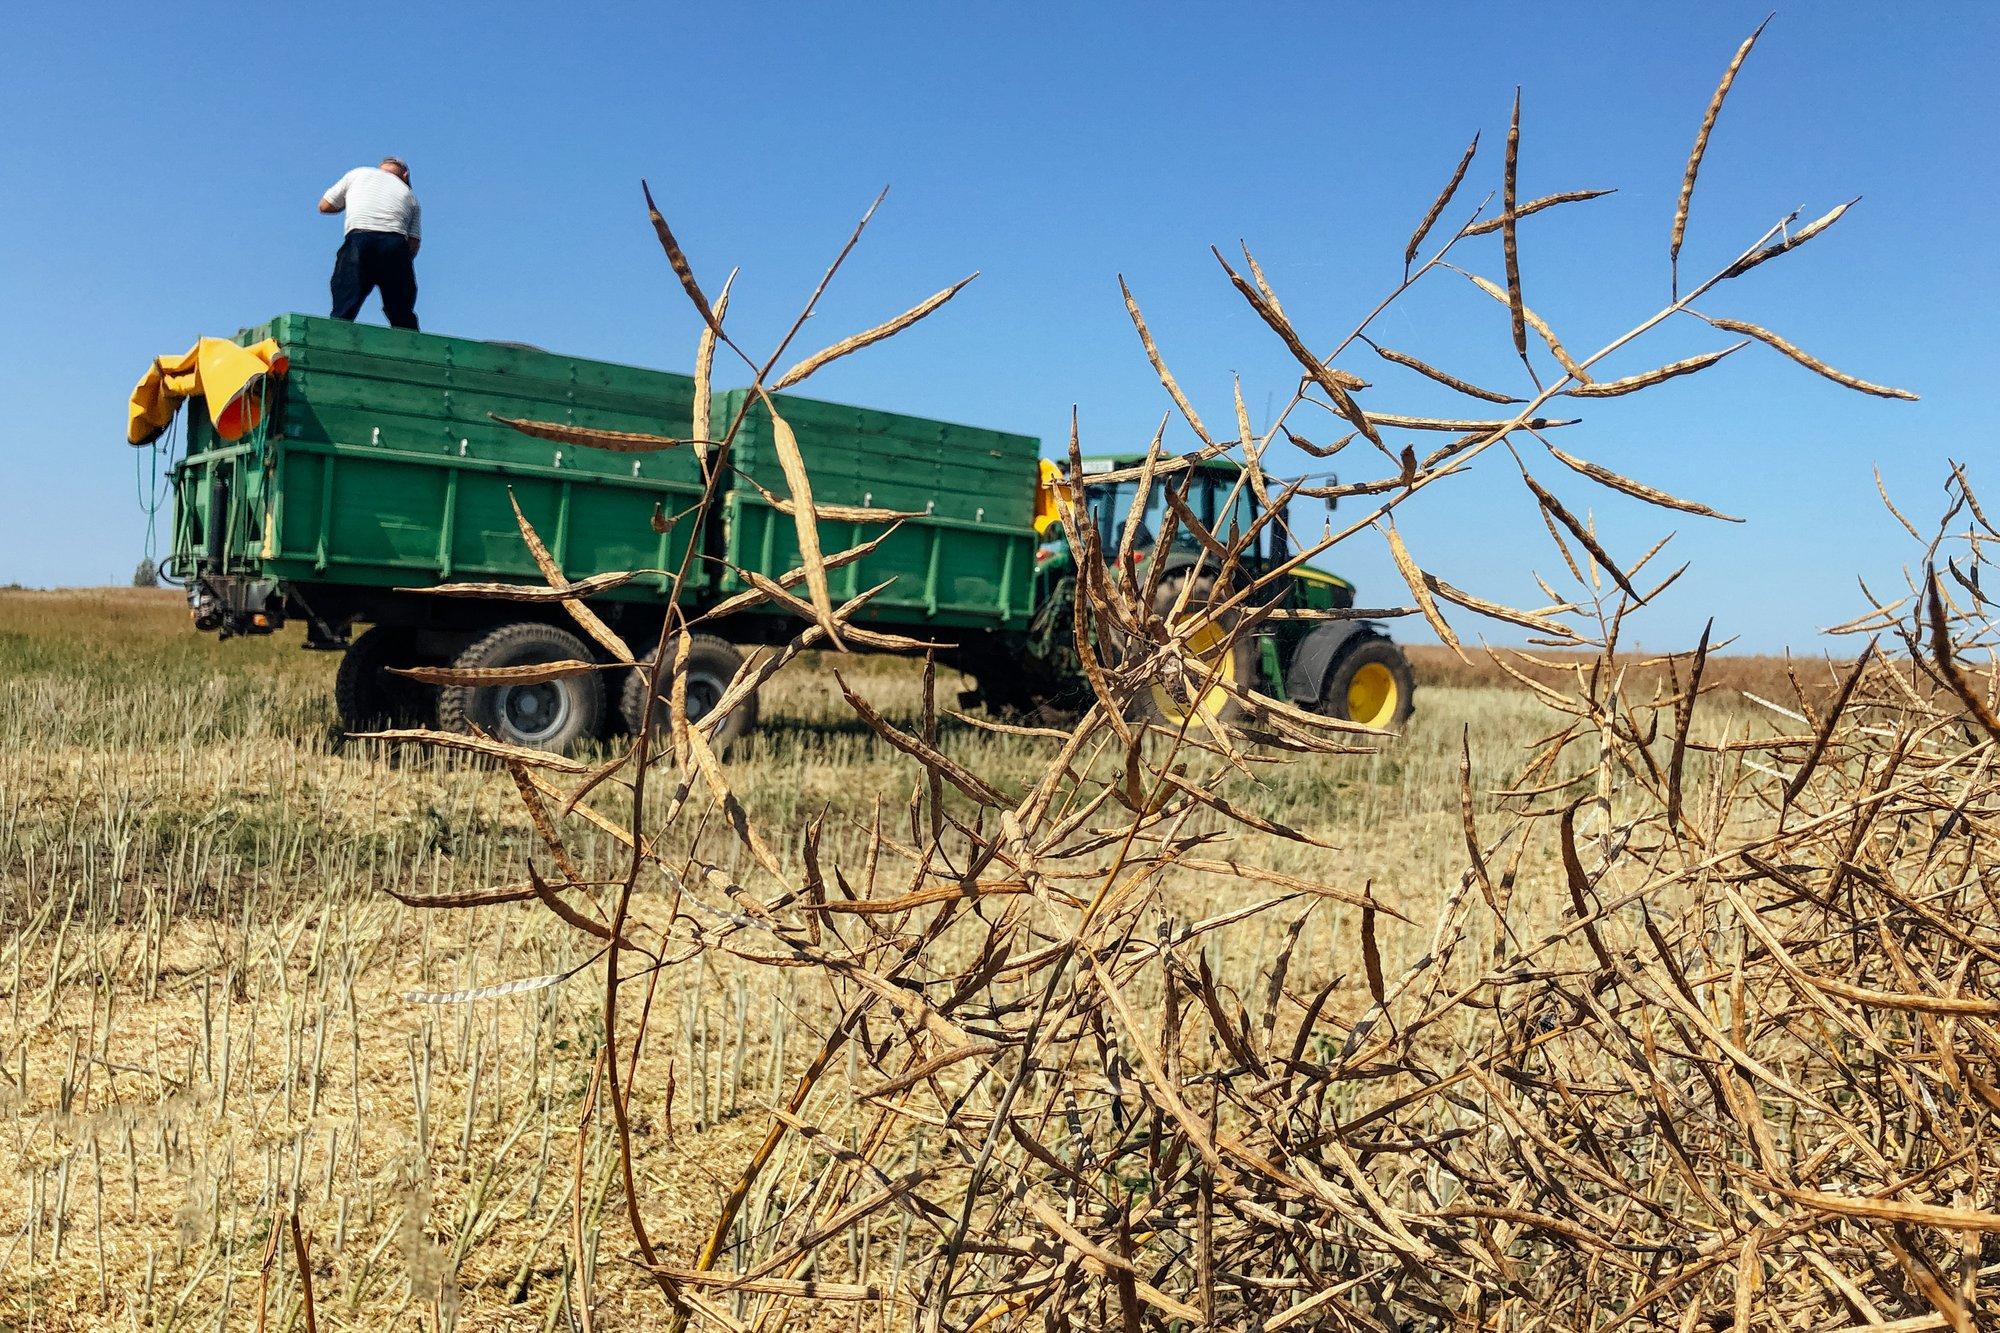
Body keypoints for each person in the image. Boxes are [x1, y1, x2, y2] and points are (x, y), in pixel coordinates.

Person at [318, 157, 422, 330]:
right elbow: (413, 244)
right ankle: (411, 348)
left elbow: (324, 206)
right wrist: (399, 266)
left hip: (359, 239)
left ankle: (336, 336)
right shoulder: (410, 195)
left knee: (344, 306)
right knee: (401, 312)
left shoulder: (357, 174)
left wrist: (352, 200)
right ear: (405, 174)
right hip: (395, 244)